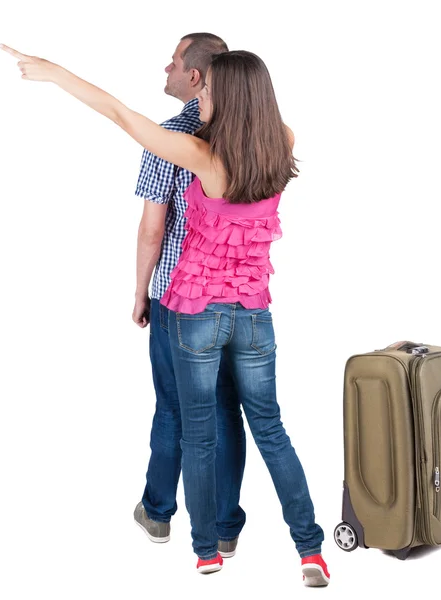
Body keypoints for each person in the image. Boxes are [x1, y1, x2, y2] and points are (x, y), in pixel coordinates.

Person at [0, 42, 330, 587]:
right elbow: (260, 113)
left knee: (197, 432)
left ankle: (206, 553)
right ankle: (310, 551)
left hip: (194, 313)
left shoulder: (201, 157)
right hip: (254, 315)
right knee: (270, 430)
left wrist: (58, 72)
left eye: (207, 92)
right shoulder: (283, 145)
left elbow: (119, 115)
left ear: (226, 97)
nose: (199, 100)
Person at [130, 33, 246, 559]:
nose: (168, 66)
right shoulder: (250, 131)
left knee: (175, 407)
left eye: (175, 60)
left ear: (195, 76)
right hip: (240, 296)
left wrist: (140, 290)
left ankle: (158, 513)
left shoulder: (167, 137)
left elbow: (153, 228)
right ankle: (225, 525)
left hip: (180, 296)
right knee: (226, 409)